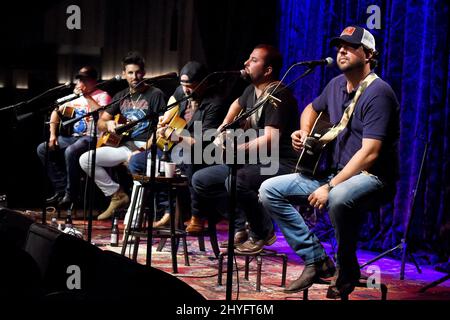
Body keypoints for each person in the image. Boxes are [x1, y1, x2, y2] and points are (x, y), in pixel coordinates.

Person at [259, 26, 400, 298]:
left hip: (372, 177)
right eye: (339, 46)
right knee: (269, 190)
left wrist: (330, 186)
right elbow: (312, 108)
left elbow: (370, 153)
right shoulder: (335, 84)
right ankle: (317, 259)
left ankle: (347, 270)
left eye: (350, 46)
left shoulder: (379, 92)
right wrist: (304, 132)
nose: (341, 51)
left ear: (369, 54)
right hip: (333, 173)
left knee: (338, 198)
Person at [187, 44, 300, 252]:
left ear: (268, 70)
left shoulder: (278, 94)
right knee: (201, 180)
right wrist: (222, 128)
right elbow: (236, 105)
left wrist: (238, 148)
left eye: (254, 60)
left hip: (280, 163)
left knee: (235, 181)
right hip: (256, 161)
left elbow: (270, 139)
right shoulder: (251, 90)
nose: (246, 63)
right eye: (248, 58)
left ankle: (262, 231)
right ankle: (242, 223)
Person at [126, 61, 228, 227]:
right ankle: (167, 210)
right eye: (183, 85)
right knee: (137, 162)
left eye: (191, 86)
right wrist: (164, 122)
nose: (186, 90)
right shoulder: (181, 91)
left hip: (202, 153)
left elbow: (202, 142)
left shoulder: (215, 103)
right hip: (174, 149)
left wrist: (176, 136)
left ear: (204, 83)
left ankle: (197, 215)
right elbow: (170, 110)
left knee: (188, 156)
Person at [79, 52, 166, 220]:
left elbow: (162, 127)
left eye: (138, 72)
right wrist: (108, 124)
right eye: (131, 73)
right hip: (125, 147)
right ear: (124, 74)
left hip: (146, 148)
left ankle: (132, 221)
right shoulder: (121, 96)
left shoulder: (155, 94)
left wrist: (141, 150)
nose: (135, 76)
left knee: (138, 177)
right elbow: (101, 122)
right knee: (86, 159)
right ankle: (116, 194)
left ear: (144, 72)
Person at [37, 66, 111, 207]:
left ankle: (72, 194)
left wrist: (87, 97)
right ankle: (61, 189)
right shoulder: (74, 97)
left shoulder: (103, 95)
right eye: (80, 80)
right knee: (42, 148)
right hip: (75, 137)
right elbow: (55, 112)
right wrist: (53, 135)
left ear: (93, 81)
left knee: (71, 151)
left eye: (85, 80)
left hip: (93, 137)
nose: (81, 83)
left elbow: (103, 117)